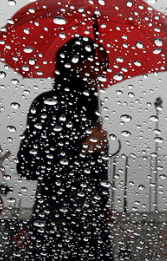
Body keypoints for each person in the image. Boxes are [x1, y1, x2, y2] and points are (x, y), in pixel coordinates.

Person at [17, 36, 113, 260]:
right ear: (76, 64)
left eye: (103, 66)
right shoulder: (47, 105)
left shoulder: (90, 109)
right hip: (56, 225)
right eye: (96, 64)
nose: (101, 72)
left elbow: (91, 174)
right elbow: (27, 166)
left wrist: (101, 202)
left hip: (91, 225)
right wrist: (83, 150)